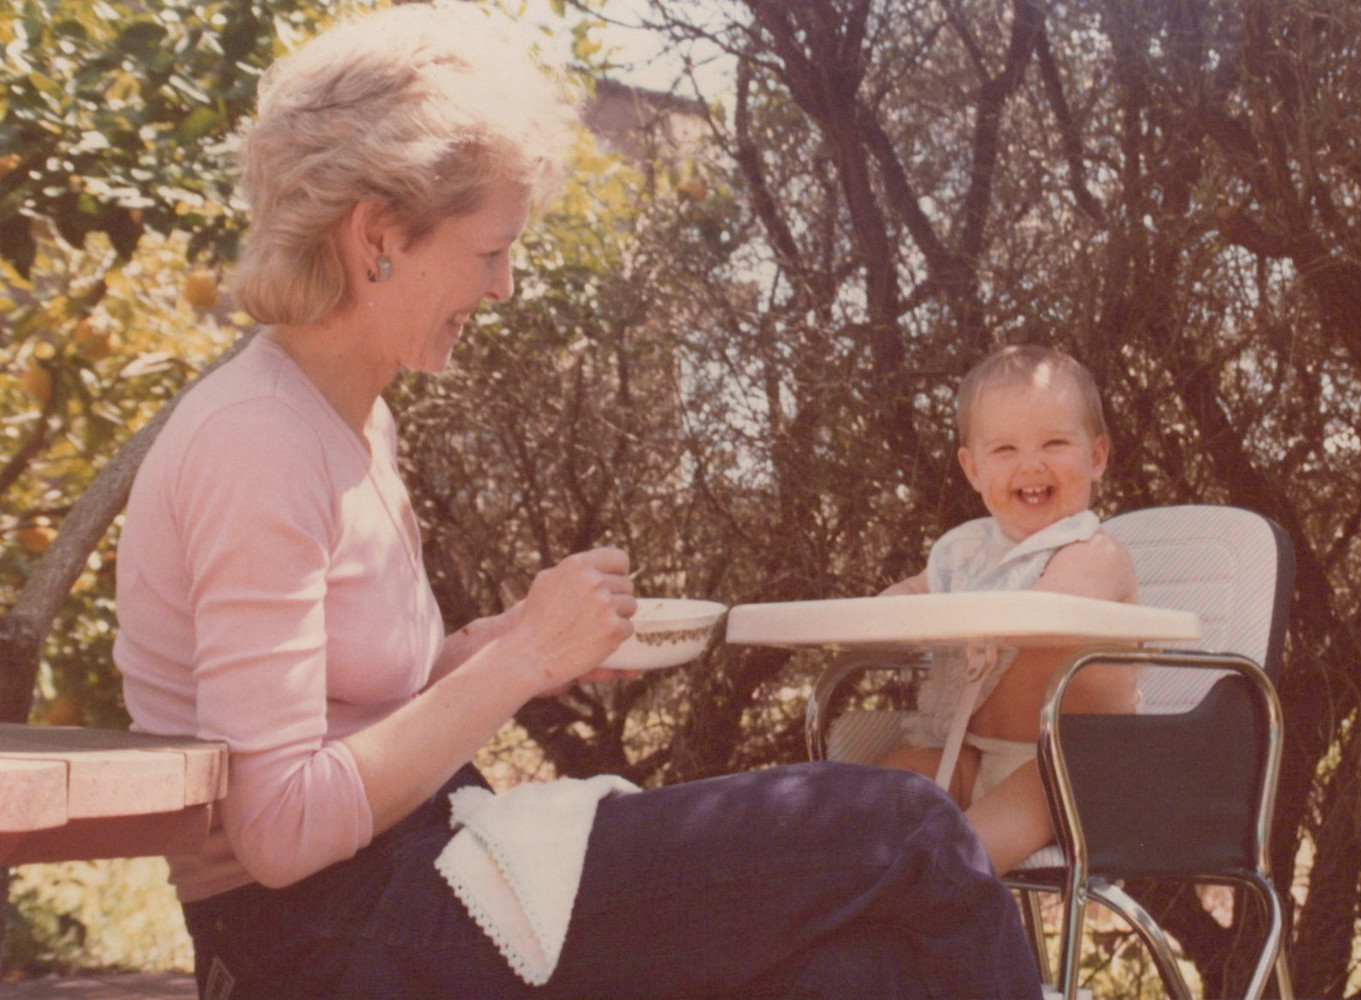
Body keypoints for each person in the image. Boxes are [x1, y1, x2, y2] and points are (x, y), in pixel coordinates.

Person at [112, 5, 1043, 998]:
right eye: (489, 250)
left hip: (409, 874)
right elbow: (279, 829)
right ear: (377, 235)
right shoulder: (255, 441)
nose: (504, 286)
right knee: (905, 824)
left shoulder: (351, 421)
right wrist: (516, 662)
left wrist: (508, 644)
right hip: (323, 934)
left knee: (862, 973)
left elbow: (355, 708)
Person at [878, 345, 1139, 876]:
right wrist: (890, 610)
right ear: (973, 469)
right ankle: (846, 883)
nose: (1031, 464)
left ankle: (935, 889)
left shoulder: (1093, 553)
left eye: (1054, 443)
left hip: (1066, 765)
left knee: (960, 856)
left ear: (1096, 457)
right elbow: (911, 593)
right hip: (968, 749)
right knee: (886, 785)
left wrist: (958, 618)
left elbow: (1046, 612)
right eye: (1004, 449)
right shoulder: (965, 552)